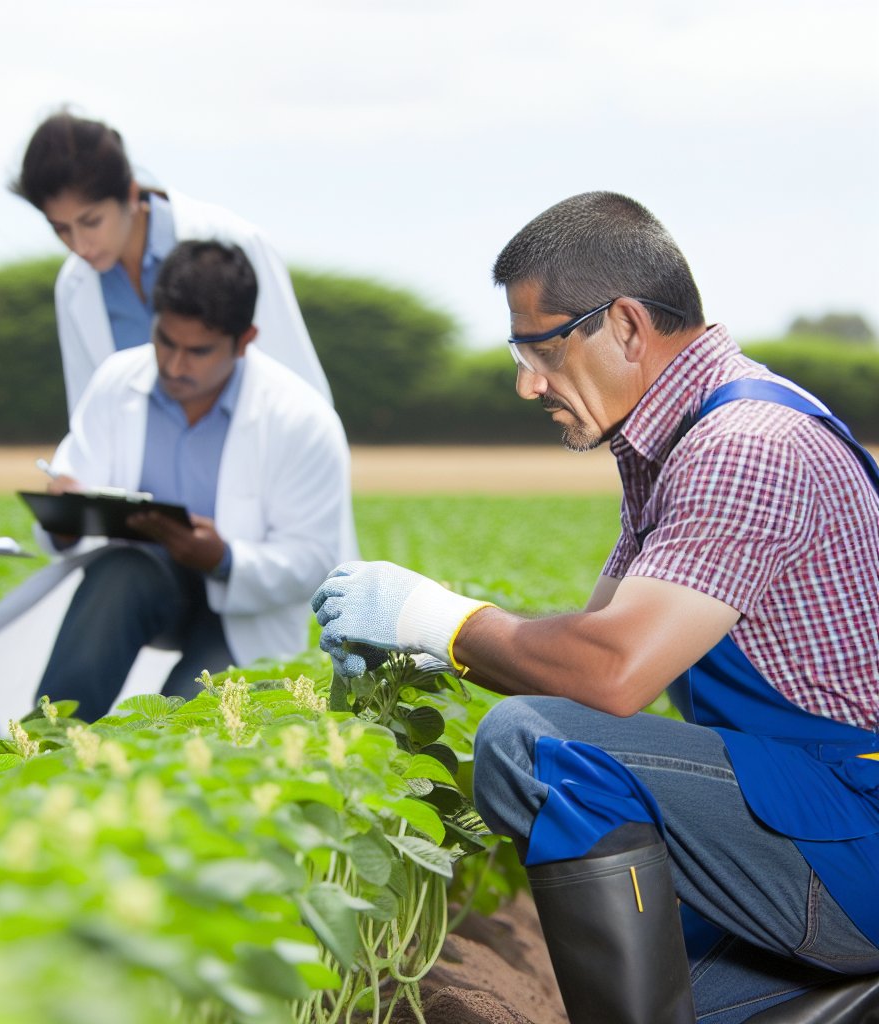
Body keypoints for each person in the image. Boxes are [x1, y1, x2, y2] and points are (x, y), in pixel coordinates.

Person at [311, 193, 879, 1023]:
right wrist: (428, 647)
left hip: (851, 828)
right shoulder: (672, 446)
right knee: (692, 1006)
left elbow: (611, 675)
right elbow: (586, 670)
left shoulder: (744, 447)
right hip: (808, 817)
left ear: (623, 325)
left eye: (536, 346)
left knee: (530, 743)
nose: (523, 382)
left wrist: (432, 616)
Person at [0, 239, 356, 726]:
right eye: (165, 341)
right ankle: (45, 746)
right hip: (139, 585)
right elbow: (75, 478)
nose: (174, 365)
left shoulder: (302, 419)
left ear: (245, 339)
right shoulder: (117, 381)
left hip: (244, 614)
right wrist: (66, 518)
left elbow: (315, 559)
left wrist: (223, 557)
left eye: (198, 351)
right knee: (120, 573)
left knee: (178, 731)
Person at [11, 110, 331, 414]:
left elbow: (301, 391)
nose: (79, 245)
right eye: (61, 229)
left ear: (131, 195)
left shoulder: (235, 243)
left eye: (92, 221)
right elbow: (88, 415)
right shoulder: (73, 285)